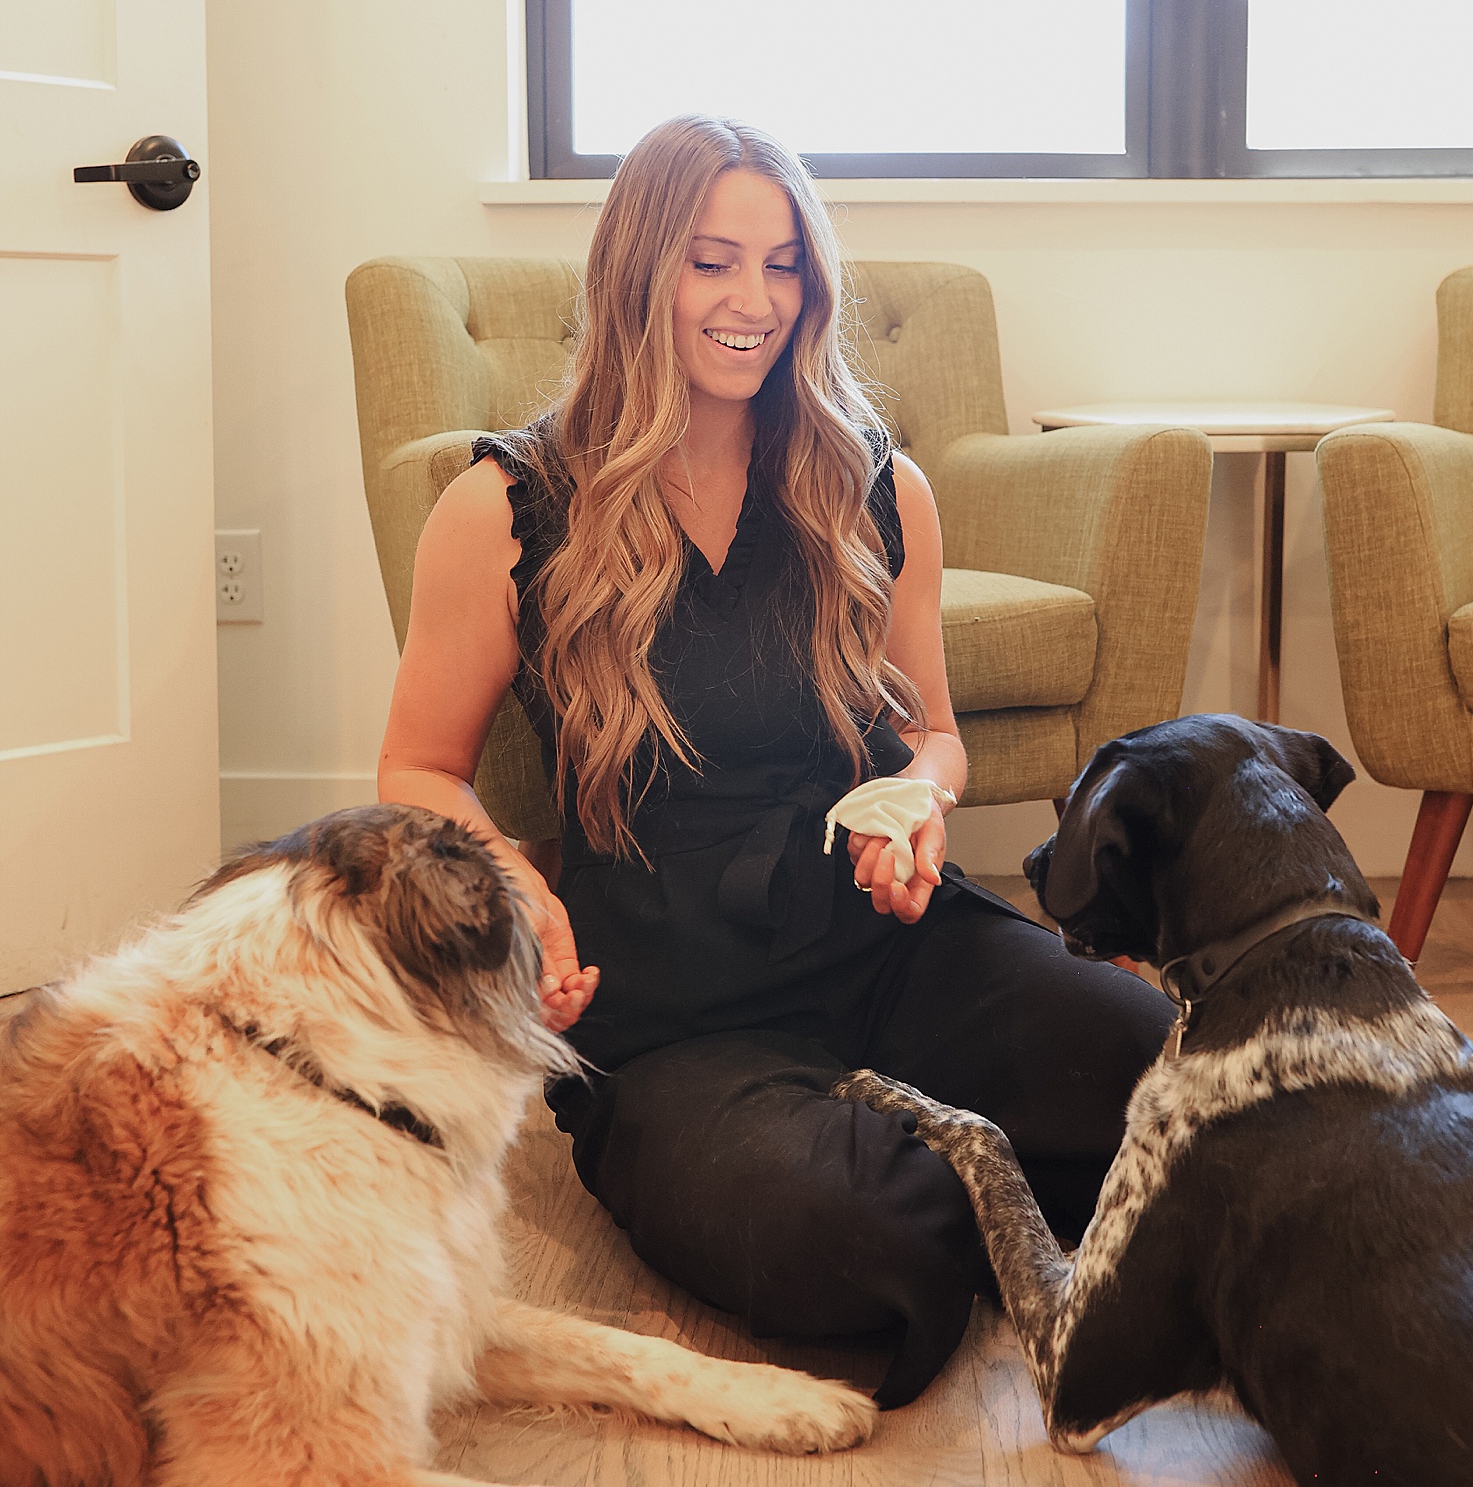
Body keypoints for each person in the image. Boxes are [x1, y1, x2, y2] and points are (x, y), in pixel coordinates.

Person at [378, 116, 1172, 1406]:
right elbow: (418, 765)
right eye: (712, 262)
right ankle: (943, 1158)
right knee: (854, 1245)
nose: (755, 302)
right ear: (637, 274)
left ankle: (930, 1125)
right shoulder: (505, 506)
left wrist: (920, 799)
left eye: (785, 265)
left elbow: (934, 731)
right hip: (673, 1009)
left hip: (882, 940)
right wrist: (521, 891)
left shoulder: (871, 485)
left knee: (1164, 1074)